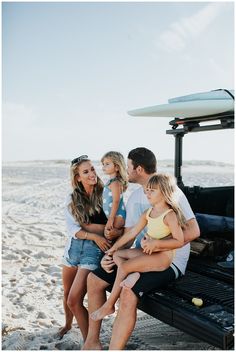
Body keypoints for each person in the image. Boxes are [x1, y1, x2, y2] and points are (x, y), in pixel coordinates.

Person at [82, 147, 200, 350]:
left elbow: (194, 231)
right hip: (141, 254)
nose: (125, 172)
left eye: (128, 167)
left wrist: (159, 245)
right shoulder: (139, 197)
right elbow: (130, 235)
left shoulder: (171, 192)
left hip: (169, 261)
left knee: (127, 293)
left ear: (138, 169)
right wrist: (110, 254)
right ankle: (92, 342)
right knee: (94, 280)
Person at [90, 173, 185, 321]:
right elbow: (132, 232)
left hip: (162, 257)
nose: (147, 193)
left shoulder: (169, 215)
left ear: (164, 192)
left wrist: (156, 244)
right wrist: (113, 248)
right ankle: (134, 274)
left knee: (124, 266)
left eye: (152, 190)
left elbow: (179, 241)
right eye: (146, 190)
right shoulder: (148, 212)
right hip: (148, 253)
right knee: (118, 255)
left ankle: (109, 304)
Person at [59, 155, 111, 341]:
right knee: (67, 294)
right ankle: (67, 324)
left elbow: (111, 228)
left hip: (93, 250)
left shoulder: (105, 194)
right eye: (86, 172)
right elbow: (73, 229)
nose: (92, 174)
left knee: (74, 299)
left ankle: (89, 341)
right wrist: (93, 233)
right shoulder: (72, 198)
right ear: (78, 177)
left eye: (93, 169)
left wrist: (92, 231)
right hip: (73, 248)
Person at [101, 151, 128, 236]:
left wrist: (111, 219)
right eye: (103, 164)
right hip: (112, 216)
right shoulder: (110, 181)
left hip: (117, 216)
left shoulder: (115, 183)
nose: (104, 167)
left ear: (116, 167)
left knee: (111, 236)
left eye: (107, 164)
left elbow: (116, 201)